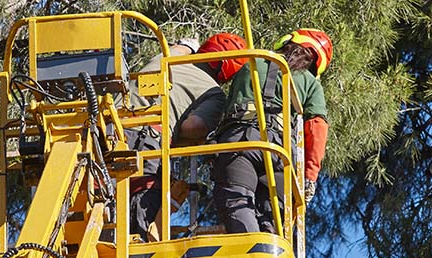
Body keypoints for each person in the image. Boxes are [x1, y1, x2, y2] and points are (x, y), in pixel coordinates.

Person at [212, 28, 332, 234]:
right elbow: (316, 128)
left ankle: (252, 248)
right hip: (280, 154)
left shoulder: (252, 62)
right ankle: (267, 250)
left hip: (241, 143)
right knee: (272, 215)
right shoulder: (311, 83)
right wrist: (310, 177)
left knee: (237, 201)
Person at [128, 32, 247, 240]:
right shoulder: (213, 92)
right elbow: (194, 126)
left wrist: (187, 46)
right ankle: (138, 249)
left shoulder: (165, 58)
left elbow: (177, 49)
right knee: (143, 196)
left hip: (107, 130)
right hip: (148, 141)